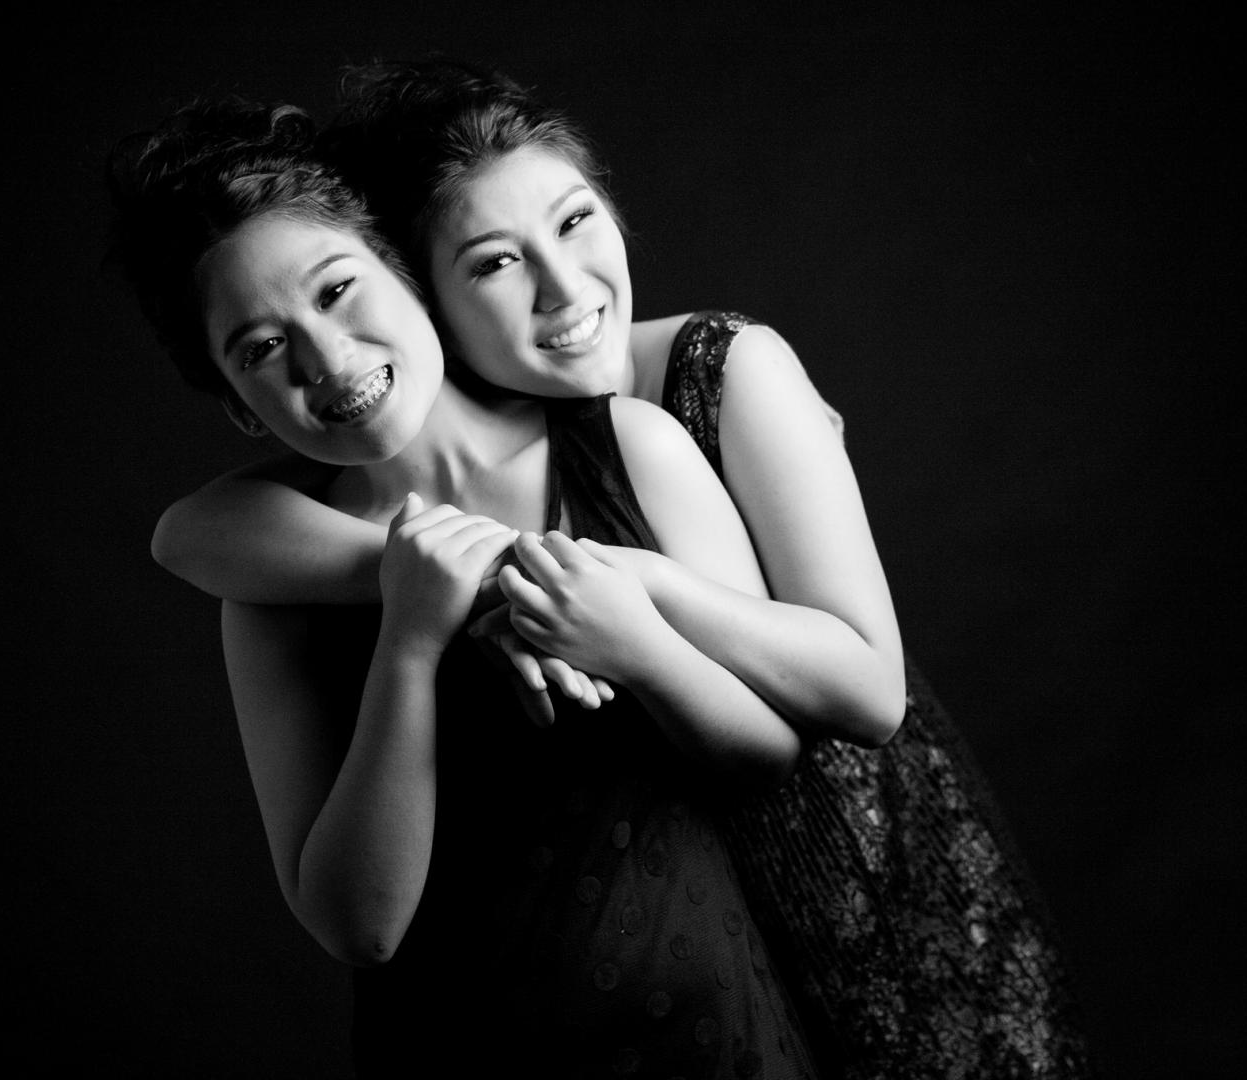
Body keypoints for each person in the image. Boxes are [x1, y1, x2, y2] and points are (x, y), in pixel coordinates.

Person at [151, 61, 1093, 1078]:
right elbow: (187, 532)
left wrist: (634, 594)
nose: (563, 290)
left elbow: (850, 703)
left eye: (575, 221)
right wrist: (450, 603)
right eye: (493, 264)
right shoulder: (296, 547)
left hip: (801, 921)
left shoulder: (686, 393)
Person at [106, 96, 825, 1078]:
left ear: (408, 274)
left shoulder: (629, 451)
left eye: (337, 291)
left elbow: (768, 755)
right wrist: (410, 641)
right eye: (261, 349)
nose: (327, 358)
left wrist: (639, 645)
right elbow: (359, 927)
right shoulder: (271, 593)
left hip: (711, 1032)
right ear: (239, 407)